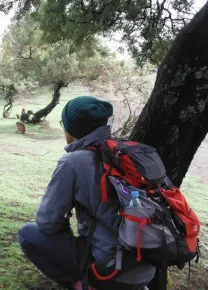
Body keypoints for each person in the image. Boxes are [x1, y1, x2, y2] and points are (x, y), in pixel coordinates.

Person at [18, 96, 156, 290]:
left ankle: (83, 285)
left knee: (28, 234)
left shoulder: (73, 162)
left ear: (71, 129)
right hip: (147, 264)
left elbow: (47, 222)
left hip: (109, 269)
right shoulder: (124, 154)